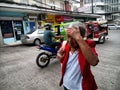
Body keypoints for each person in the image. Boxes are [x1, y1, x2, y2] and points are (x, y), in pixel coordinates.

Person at [57, 22, 99, 90]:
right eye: (68, 36)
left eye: (72, 37)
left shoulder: (87, 45)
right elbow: (61, 60)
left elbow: (94, 62)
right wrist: (60, 57)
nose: (69, 41)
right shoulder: (65, 44)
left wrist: (78, 38)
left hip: (81, 87)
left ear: (81, 37)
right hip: (66, 84)